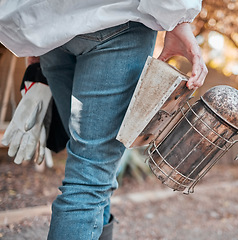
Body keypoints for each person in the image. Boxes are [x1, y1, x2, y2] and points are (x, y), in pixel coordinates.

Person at [0, 1, 208, 239]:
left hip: (51, 30)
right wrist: (178, 20)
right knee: (88, 180)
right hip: (117, 25)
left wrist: (33, 49)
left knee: (93, 172)